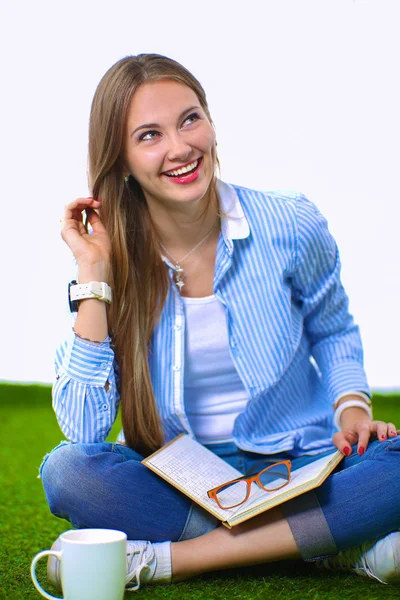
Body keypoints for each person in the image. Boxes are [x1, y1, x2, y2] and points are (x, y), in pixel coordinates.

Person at [40, 53, 400, 591]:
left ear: (210, 122)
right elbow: (86, 431)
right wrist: (93, 271)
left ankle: (171, 560)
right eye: (149, 135)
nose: (180, 148)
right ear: (120, 160)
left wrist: (352, 407)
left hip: (304, 463)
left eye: (190, 119)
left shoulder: (289, 221)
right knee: (68, 472)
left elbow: (333, 328)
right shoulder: (107, 256)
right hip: (184, 481)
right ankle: (330, 547)